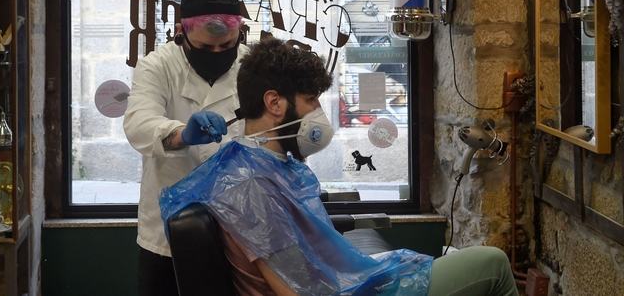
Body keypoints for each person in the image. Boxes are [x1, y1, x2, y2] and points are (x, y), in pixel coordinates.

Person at [160, 38, 518, 296]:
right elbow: (292, 289)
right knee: (493, 263)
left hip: (342, 284)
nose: (318, 114)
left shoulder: (264, 164)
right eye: (310, 100)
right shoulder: (250, 185)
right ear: (274, 103)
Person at [124, 0, 250, 296]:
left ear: (240, 33)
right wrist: (181, 133)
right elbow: (138, 123)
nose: (218, 54)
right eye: (205, 48)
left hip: (242, 227)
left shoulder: (253, 66)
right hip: (167, 233)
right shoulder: (158, 66)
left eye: (227, 46)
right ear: (182, 34)